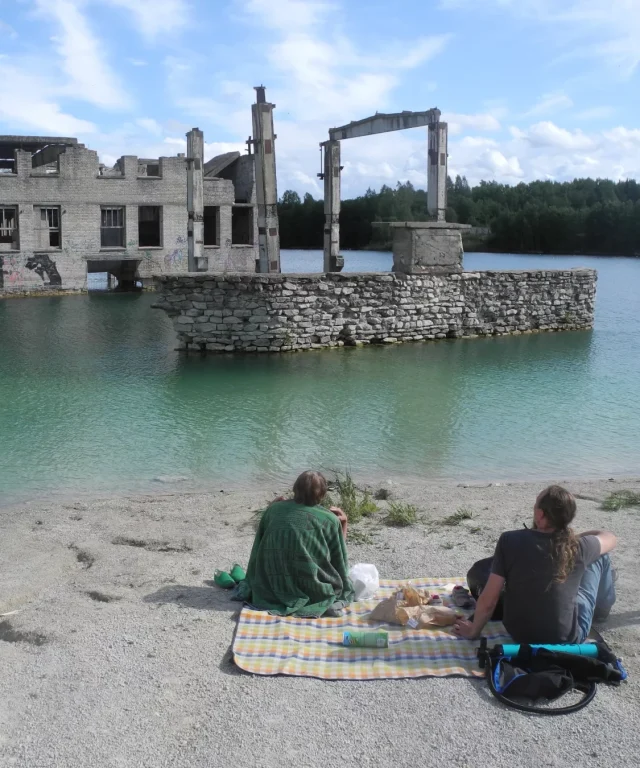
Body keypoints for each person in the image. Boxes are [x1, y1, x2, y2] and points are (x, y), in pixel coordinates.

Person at [453, 485, 617, 644]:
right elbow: (609, 537)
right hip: (565, 638)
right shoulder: (579, 546)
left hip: (519, 633)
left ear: (540, 515)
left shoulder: (509, 540)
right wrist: (576, 539)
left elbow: (490, 599)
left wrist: (474, 631)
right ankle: (603, 609)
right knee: (600, 557)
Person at [237, 471, 354, 618]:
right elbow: (339, 556)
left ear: (295, 489)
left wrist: (271, 508)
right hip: (311, 587)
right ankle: (320, 604)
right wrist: (343, 523)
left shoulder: (273, 510)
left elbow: (261, 541)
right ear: (323, 495)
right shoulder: (329, 519)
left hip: (271, 585)